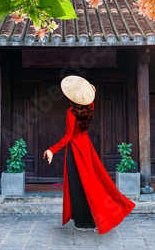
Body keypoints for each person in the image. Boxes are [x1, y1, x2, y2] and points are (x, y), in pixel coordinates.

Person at [43, 75, 135, 234]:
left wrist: (52, 149)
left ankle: (83, 222)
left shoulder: (71, 113)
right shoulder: (90, 107)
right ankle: (93, 219)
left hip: (75, 150)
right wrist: (92, 92)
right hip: (87, 147)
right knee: (92, 183)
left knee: (77, 186)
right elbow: (90, 99)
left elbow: (68, 136)